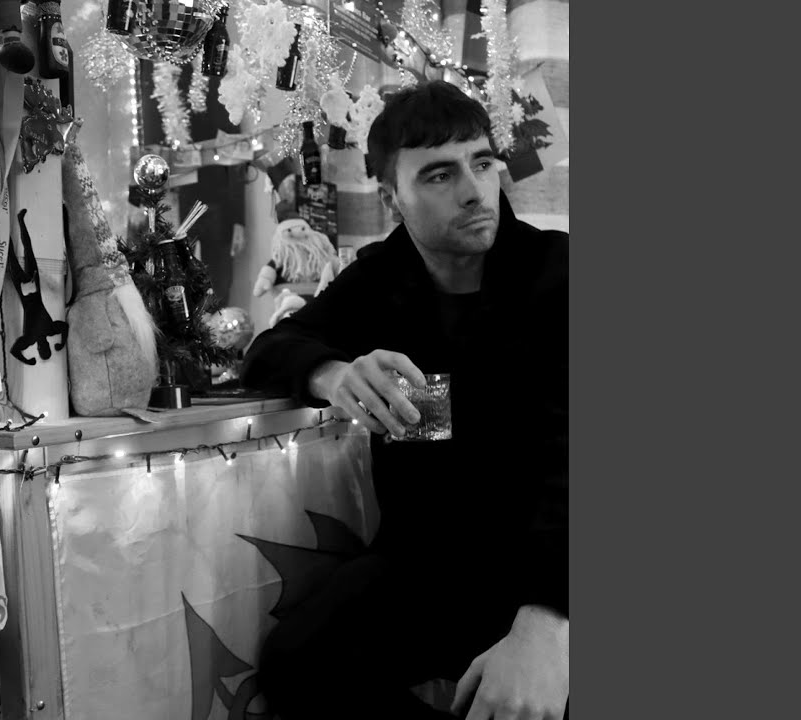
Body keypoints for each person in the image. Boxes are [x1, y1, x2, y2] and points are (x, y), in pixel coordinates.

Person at [242, 81, 568, 719]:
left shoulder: (557, 272)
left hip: (546, 557)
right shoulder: (379, 279)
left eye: (482, 163)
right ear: (393, 199)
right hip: (426, 564)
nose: (475, 191)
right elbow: (270, 348)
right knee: (298, 665)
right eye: (440, 175)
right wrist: (332, 374)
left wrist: (549, 618)